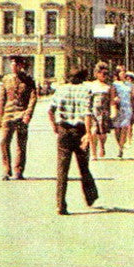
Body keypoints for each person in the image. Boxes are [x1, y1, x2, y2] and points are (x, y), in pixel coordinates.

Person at [48, 67, 99, 215]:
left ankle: (60, 204)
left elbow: (50, 110)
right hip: (80, 131)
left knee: (62, 169)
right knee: (83, 166)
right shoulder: (86, 90)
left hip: (63, 131)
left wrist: (54, 126)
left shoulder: (60, 90)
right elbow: (87, 113)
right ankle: (90, 196)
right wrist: (88, 134)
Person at [0, 55, 37, 180]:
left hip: (22, 114)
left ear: (21, 66)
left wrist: (28, 114)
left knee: (21, 144)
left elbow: (33, 98)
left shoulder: (28, 80)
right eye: (12, 64)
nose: (13, 66)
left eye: (16, 64)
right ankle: (6, 170)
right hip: (8, 115)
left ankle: (18, 170)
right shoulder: (6, 79)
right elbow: (2, 99)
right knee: (4, 142)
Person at [110, 64, 134, 159]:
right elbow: (112, 97)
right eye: (121, 71)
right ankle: (119, 144)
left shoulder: (130, 84)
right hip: (118, 108)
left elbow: (133, 97)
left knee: (124, 127)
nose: (123, 73)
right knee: (117, 129)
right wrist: (114, 101)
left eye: (124, 71)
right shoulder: (114, 84)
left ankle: (121, 148)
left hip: (127, 107)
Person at [87, 61, 112, 160]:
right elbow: (88, 99)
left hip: (104, 112)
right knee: (93, 131)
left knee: (102, 133)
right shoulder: (92, 85)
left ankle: (102, 146)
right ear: (96, 73)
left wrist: (113, 111)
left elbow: (111, 101)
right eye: (101, 73)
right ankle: (93, 153)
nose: (104, 75)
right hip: (93, 111)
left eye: (106, 73)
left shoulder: (109, 86)